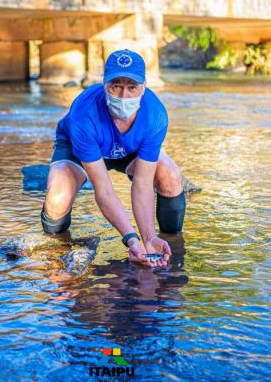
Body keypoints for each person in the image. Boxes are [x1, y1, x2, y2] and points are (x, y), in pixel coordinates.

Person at [41, 49, 186, 268]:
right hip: (81, 150)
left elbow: (143, 184)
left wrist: (147, 238)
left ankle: (169, 246)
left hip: (129, 150)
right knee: (57, 198)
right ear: (104, 85)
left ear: (144, 87)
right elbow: (105, 191)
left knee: (170, 175)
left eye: (132, 87)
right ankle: (55, 252)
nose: (123, 95)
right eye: (116, 86)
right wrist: (131, 239)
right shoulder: (83, 114)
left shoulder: (155, 115)